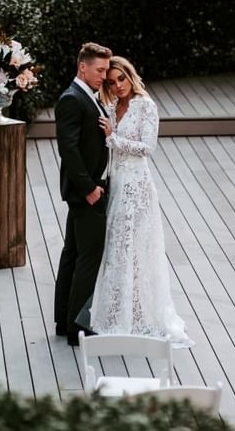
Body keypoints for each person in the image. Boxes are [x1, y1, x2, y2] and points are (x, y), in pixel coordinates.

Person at [88, 56, 193, 348]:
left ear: (130, 76)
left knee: (136, 248)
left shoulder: (146, 106)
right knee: (117, 248)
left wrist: (113, 139)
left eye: (121, 79)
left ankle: (139, 314)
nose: (118, 86)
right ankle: (117, 311)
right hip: (116, 184)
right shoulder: (111, 107)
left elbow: (148, 147)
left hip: (137, 187)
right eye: (112, 82)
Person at [54, 42, 112, 346]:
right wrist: (89, 189)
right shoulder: (72, 99)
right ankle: (78, 329)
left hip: (83, 191)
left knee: (72, 254)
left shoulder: (86, 95)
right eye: (99, 70)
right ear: (82, 67)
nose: (104, 76)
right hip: (86, 193)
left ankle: (64, 321)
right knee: (88, 259)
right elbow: (69, 150)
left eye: (105, 70)